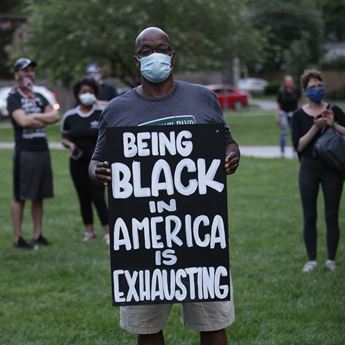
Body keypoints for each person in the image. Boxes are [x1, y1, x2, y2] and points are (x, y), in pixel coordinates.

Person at [89, 27, 240, 345]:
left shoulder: (202, 97)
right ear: (137, 59)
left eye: (162, 48)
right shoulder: (117, 110)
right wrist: (98, 171)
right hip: (143, 240)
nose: (155, 55)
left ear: (172, 55)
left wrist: (231, 154)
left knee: (213, 324)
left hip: (198, 235)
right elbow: (96, 160)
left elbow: (226, 142)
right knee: (147, 327)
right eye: (146, 50)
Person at [291, 69, 345, 272]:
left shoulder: (334, 110)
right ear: (305, 91)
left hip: (332, 168)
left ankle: (331, 259)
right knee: (309, 215)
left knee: (331, 215)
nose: (317, 89)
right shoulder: (298, 115)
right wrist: (316, 126)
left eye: (319, 86)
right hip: (309, 168)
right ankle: (311, 259)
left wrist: (333, 124)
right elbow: (299, 146)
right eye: (312, 87)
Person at [7, 57, 60, 249]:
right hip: (25, 152)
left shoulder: (39, 96)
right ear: (17, 74)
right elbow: (23, 122)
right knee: (20, 196)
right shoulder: (14, 96)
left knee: (39, 195)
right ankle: (18, 238)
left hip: (42, 151)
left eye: (31, 70)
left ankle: (38, 235)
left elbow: (55, 116)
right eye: (24, 70)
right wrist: (42, 118)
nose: (29, 73)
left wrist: (35, 116)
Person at [61, 77, 109, 244]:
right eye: (83, 92)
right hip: (77, 162)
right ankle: (89, 232)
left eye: (90, 91)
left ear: (95, 93)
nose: (87, 94)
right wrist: (70, 146)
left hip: (97, 162)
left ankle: (108, 232)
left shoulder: (102, 113)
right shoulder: (69, 116)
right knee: (83, 197)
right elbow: (64, 137)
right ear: (77, 94)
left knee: (98, 196)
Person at [276, 75, 300, 157]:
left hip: (294, 113)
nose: (290, 83)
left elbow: (300, 102)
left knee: (294, 133)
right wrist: (277, 116)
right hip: (283, 114)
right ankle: (282, 152)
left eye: (291, 81)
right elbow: (279, 105)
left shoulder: (296, 90)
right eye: (288, 81)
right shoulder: (281, 92)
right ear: (285, 83)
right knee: (283, 133)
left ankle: (295, 151)